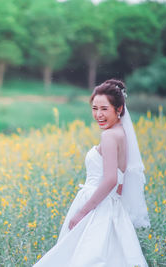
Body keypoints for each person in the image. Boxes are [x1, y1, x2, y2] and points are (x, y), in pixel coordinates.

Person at [33, 79, 150, 267]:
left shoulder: (109, 136)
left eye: (104, 109)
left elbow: (111, 179)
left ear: (119, 109)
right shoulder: (122, 133)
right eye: (95, 108)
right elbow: (120, 182)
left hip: (97, 208)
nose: (98, 115)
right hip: (111, 205)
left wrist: (82, 213)